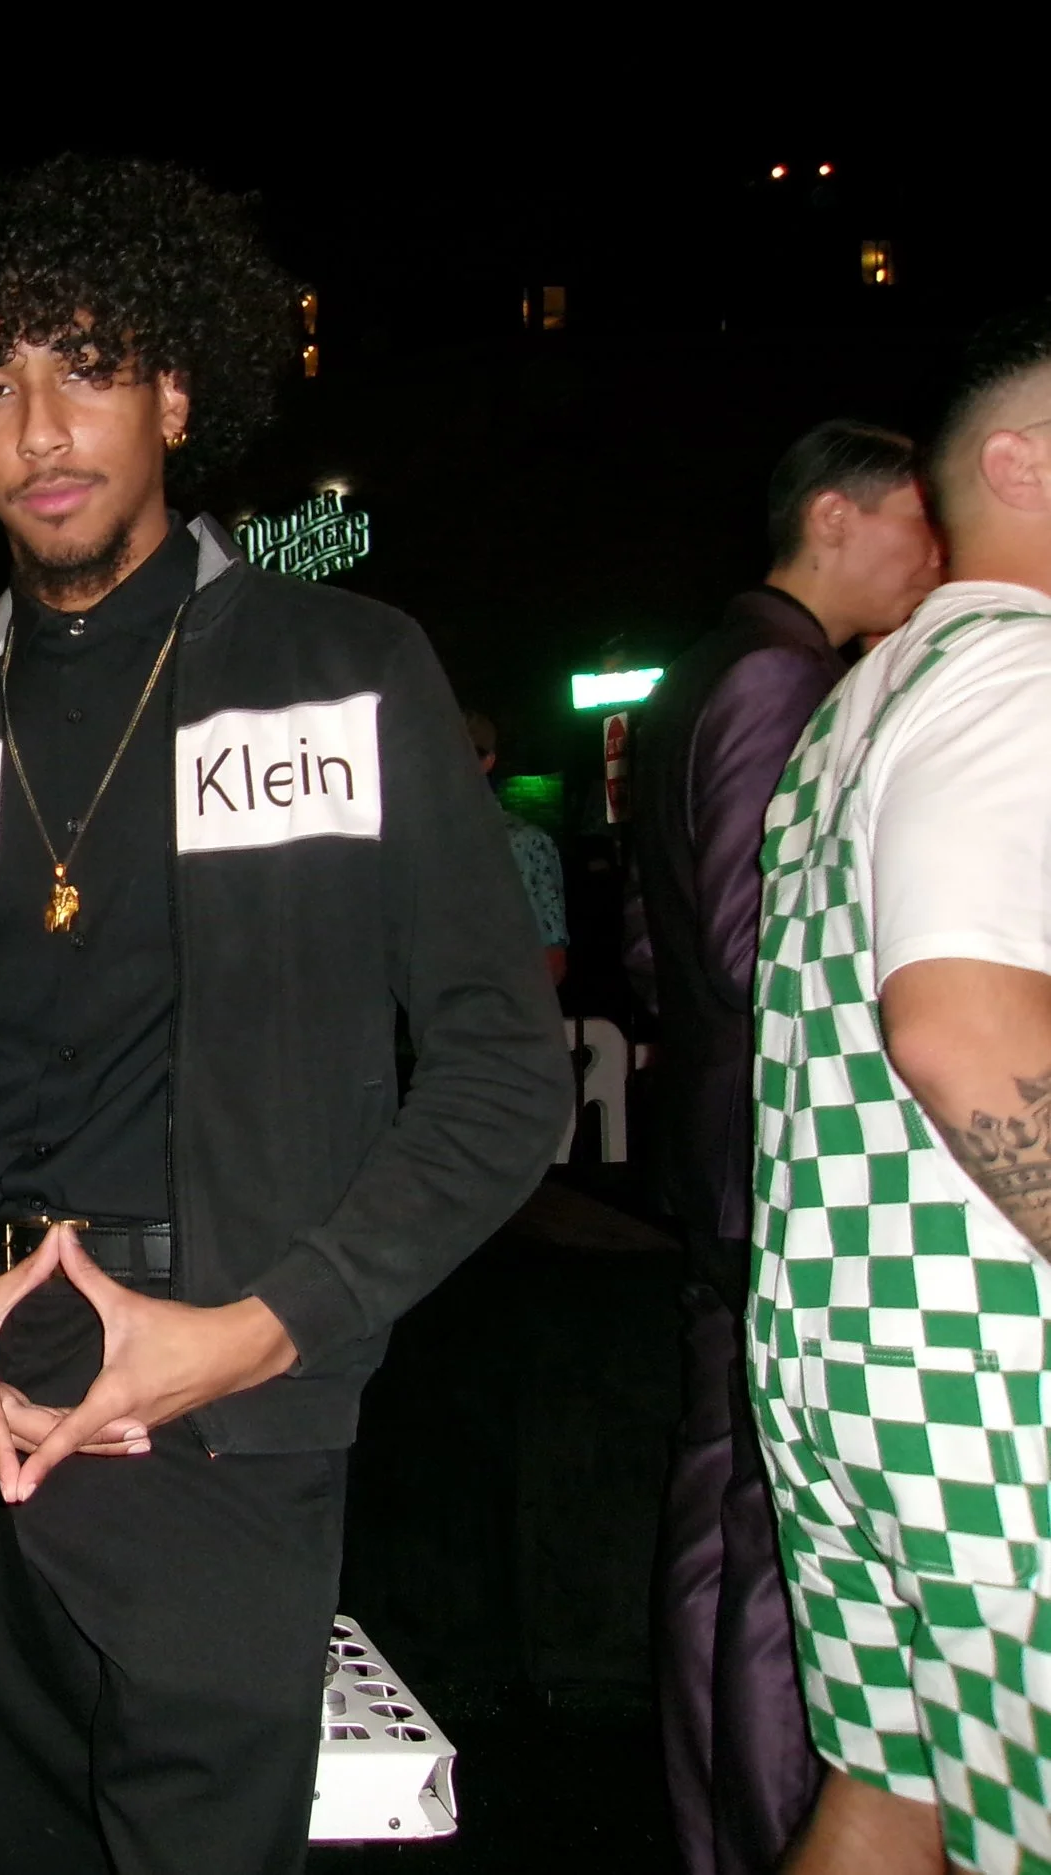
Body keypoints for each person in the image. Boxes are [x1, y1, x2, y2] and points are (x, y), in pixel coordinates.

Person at [0, 155, 571, 1875]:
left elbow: (508, 1071)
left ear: (176, 391)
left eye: (85, 367)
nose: (42, 426)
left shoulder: (347, 669)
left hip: (233, 1395)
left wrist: (275, 1324)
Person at [751, 307, 1051, 1875]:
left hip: (844, 1340)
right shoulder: (1023, 679)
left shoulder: (862, 703)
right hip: (995, 1363)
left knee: (893, 1794)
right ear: (1019, 463)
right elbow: (961, 1021)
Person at [633, 420, 939, 1875]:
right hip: (783, 1164)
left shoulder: (709, 664)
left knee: (728, 1524)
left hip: (722, 1155)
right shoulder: (782, 674)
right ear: (835, 513)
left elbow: (659, 939)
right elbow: (769, 949)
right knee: (781, 1562)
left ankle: (724, 1833)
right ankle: (763, 1835)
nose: (928, 560)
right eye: (911, 527)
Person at [464, 708, 569, 985]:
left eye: (463, 753)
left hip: (501, 1015)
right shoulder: (419, 843)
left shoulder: (524, 843)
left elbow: (551, 961)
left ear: (487, 761)